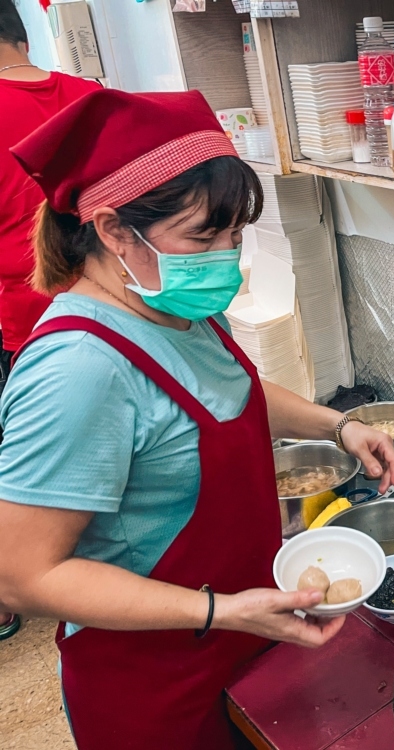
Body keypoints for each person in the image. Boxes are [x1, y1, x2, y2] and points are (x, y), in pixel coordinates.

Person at [0, 88, 394, 749]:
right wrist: (219, 609)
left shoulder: (172, 305)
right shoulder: (79, 369)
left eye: (236, 234)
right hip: (158, 684)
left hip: (244, 636)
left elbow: (227, 390)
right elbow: (22, 573)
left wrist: (337, 426)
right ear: (112, 230)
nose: (227, 256)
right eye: (205, 236)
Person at [0, 0, 101, 642]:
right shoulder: (90, 95)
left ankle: (38, 595)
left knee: (48, 480)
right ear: (20, 31)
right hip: (122, 302)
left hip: (37, 325)